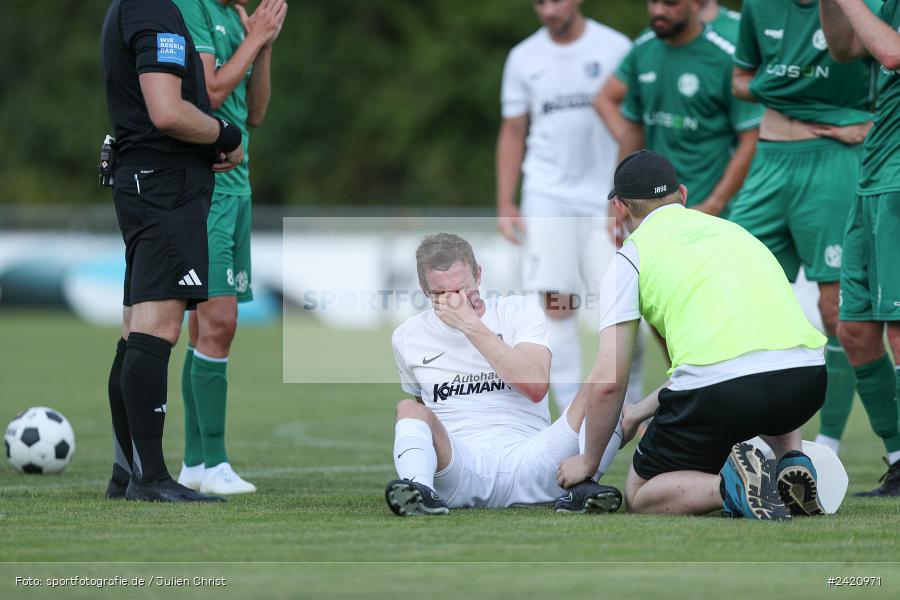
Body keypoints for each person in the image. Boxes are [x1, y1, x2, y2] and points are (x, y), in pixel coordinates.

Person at [556, 151, 828, 520]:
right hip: (806, 381)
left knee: (642, 492)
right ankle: (791, 460)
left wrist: (588, 461)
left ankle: (732, 487)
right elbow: (741, 353)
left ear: (619, 208)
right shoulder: (735, 232)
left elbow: (609, 379)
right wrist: (638, 413)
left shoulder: (630, 258)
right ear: (682, 194)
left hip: (724, 393)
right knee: (769, 368)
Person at [100, 0, 243, 501]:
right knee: (156, 330)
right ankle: (151, 478)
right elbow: (166, 111)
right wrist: (224, 134)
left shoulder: (139, 7)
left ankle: (127, 473)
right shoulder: (152, 9)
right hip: (163, 187)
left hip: (151, 182)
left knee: (136, 331)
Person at [730, 0, 879, 459]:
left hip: (833, 163)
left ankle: (828, 443)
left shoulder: (863, 7)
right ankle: (749, 437)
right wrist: (796, 93)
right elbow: (739, 81)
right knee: (735, 296)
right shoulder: (758, 6)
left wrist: (868, 123)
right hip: (770, 161)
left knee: (838, 311)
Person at [386, 233, 623, 516]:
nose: (455, 301)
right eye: (441, 294)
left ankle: (580, 487)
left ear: (478, 275)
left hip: (535, 460)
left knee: (605, 393)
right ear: (424, 290)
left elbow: (536, 386)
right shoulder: (407, 336)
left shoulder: (519, 310)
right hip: (460, 468)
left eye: (462, 289)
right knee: (408, 409)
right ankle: (420, 491)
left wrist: (470, 325)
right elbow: (425, 413)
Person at [495, 0, 639, 414]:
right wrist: (505, 200)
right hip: (547, 195)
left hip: (607, 196)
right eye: (540, 2)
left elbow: (634, 123)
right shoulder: (523, 56)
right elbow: (513, 130)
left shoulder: (615, 47)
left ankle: (630, 409)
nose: (549, 10)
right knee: (557, 304)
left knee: (623, 304)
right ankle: (572, 415)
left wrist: (628, 192)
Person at [171, 0, 286, 496]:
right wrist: (255, 37)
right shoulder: (192, 8)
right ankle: (214, 463)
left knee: (204, 331)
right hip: (209, 190)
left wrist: (264, 47)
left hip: (238, 191)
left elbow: (255, 114)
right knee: (219, 323)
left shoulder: (236, 17)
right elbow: (211, 92)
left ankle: (195, 465)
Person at [819, 0, 900, 496]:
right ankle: (898, 459)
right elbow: (844, 47)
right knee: (855, 331)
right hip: (872, 181)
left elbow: (892, 53)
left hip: (897, 185)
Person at [594, 0, 761, 221]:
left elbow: (751, 138)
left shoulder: (725, 56)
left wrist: (714, 204)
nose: (658, 11)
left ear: (696, 4)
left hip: (708, 211)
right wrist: (617, 204)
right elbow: (633, 131)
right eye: (652, 2)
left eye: (670, 3)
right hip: (652, 211)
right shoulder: (642, 51)